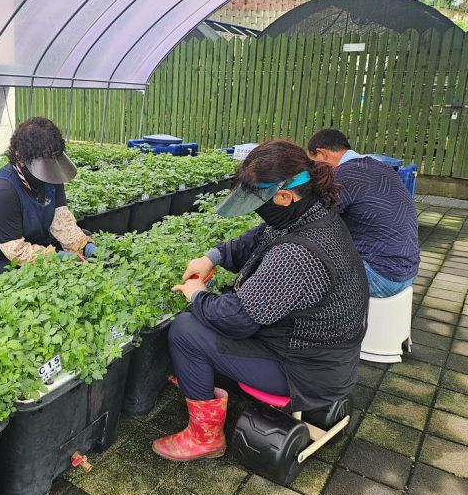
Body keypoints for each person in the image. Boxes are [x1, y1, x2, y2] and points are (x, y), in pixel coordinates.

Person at [152, 140, 368, 462]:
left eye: (258, 202)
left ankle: (204, 437)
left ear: (284, 196)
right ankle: (198, 376)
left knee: (186, 330)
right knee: (206, 319)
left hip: (303, 373)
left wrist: (196, 294)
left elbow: (236, 320)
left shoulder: (297, 256)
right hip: (328, 360)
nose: (257, 211)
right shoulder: (311, 216)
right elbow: (258, 238)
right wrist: (212, 258)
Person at [0, 117, 96, 282]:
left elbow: (61, 221)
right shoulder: (2, 191)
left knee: (84, 239)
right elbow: (16, 251)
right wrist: (58, 258)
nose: (50, 172)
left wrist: (84, 245)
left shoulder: (52, 176)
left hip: (34, 245)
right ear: (20, 158)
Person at [307, 128, 419, 298]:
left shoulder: (343, 174)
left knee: (302, 270)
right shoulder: (380, 166)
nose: (313, 171)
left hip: (380, 276)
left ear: (321, 153)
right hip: (407, 270)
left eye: (313, 163)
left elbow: (312, 220)